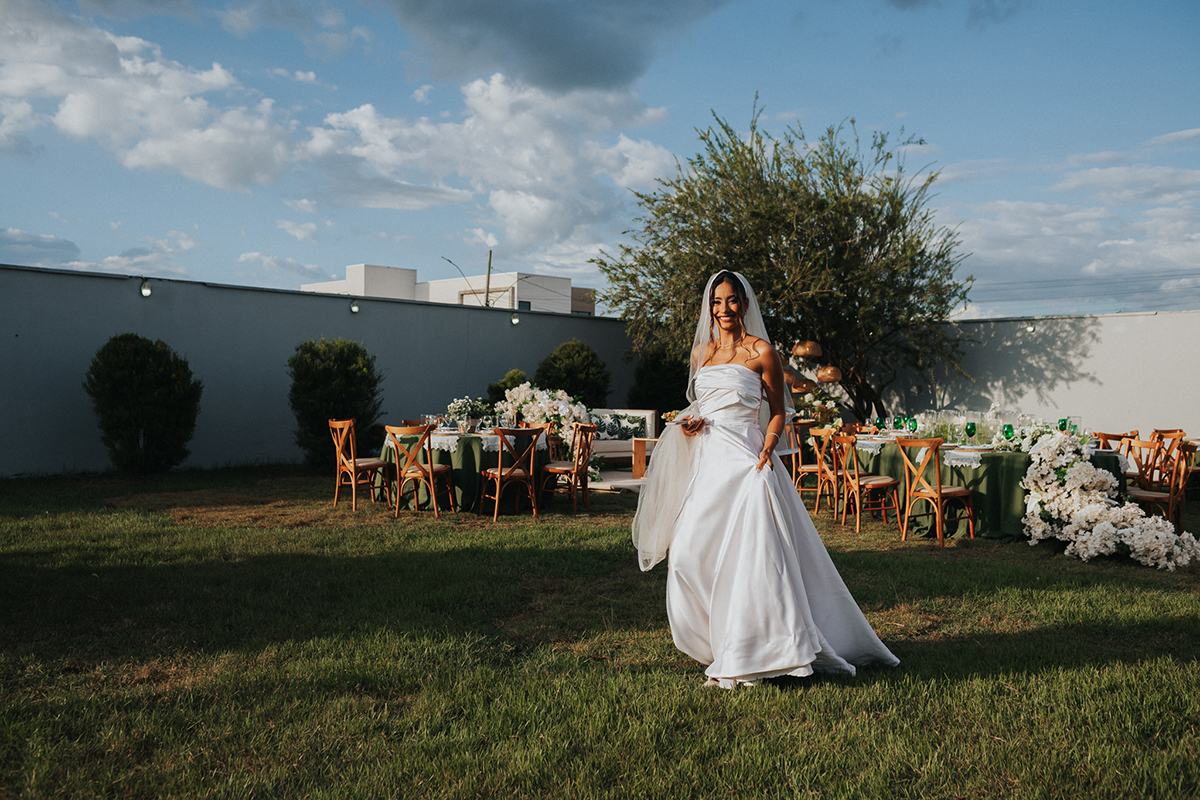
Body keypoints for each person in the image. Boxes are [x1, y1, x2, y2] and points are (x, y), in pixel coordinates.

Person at [632, 271, 899, 688]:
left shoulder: (762, 352)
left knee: (752, 556)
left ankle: (753, 650)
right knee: (686, 553)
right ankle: (719, 639)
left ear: (744, 304)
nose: (724, 309)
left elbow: (778, 411)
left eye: (731, 300)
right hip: (707, 461)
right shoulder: (700, 353)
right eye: (716, 302)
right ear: (709, 308)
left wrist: (768, 447)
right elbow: (701, 406)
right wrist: (691, 423)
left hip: (747, 461)